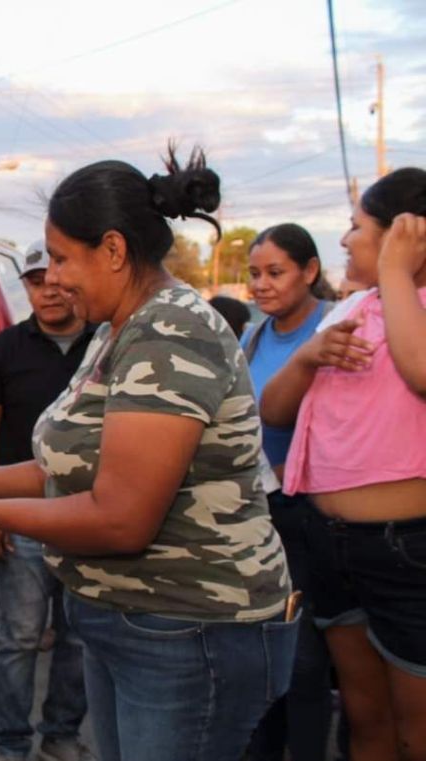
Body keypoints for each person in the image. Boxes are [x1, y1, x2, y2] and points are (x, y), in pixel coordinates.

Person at [0, 147, 297, 761]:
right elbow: (57, 471)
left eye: (62, 258)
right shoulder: (114, 331)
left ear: (114, 250)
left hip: (187, 629)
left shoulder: (170, 331)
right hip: (126, 619)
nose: (53, 278)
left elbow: (122, 518)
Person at [261, 167, 426, 761]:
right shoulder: (352, 307)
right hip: (326, 540)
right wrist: (306, 357)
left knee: (417, 729)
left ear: (403, 234)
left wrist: (396, 273)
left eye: (357, 226)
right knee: (364, 717)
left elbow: (421, 371)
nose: (345, 240)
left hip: (405, 549)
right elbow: (274, 411)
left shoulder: (411, 306)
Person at [0, 240, 95, 761]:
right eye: (36, 281)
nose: (48, 290)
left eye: (55, 277)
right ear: (25, 286)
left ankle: (60, 735)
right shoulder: (3, 349)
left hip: (89, 515)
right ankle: (10, 743)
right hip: (21, 516)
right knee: (16, 638)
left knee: (79, 639)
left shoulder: (105, 344)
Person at [242, 223, 335, 761]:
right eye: (254, 274)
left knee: (304, 660)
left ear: (310, 271)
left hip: (317, 513)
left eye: (275, 272)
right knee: (263, 654)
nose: (261, 285)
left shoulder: (335, 327)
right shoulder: (252, 338)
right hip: (262, 512)